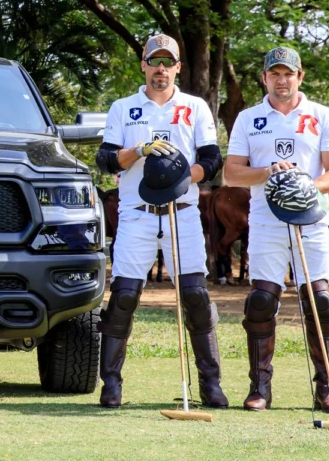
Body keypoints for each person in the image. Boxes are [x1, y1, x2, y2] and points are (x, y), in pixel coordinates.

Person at [94, 34, 226, 408]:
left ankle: (211, 384)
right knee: (123, 297)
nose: (161, 69)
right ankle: (111, 384)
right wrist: (139, 150)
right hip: (136, 213)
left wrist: (180, 177)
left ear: (178, 68)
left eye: (168, 62)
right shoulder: (123, 108)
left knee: (196, 296)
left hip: (181, 213)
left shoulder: (195, 107)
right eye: (155, 61)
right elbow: (105, 160)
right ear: (144, 65)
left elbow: (212, 160)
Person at [224, 47, 329, 412]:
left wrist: (305, 187)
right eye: (274, 74)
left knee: (319, 301)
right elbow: (231, 174)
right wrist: (267, 172)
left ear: (300, 77)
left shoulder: (322, 116)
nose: (281, 80)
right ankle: (260, 387)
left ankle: (327, 387)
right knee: (261, 300)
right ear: (264, 78)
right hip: (266, 221)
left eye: (288, 73)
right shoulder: (248, 118)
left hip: (311, 220)